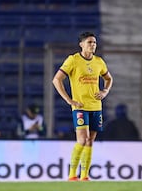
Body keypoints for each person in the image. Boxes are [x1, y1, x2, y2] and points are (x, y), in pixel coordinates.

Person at [52, 31, 113, 181]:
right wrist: (69, 100)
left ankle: (85, 176)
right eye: (89, 42)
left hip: (96, 107)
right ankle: (72, 174)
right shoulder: (73, 60)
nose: (93, 45)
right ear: (81, 44)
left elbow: (109, 79)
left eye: (94, 42)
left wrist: (105, 91)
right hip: (80, 106)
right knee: (82, 140)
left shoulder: (99, 61)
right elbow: (56, 80)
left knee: (90, 141)